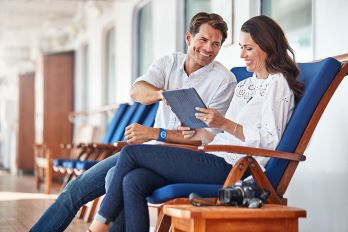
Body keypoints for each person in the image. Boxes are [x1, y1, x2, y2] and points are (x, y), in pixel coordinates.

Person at [87, 15, 304, 232]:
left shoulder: (278, 85)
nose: (241, 55)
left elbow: (269, 141)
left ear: (266, 46)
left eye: (248, 48)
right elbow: (221, 136)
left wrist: (223, 123)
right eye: (241, 47)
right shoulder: (245, 85)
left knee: (131, 153)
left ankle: (97, 227)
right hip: (215, 155)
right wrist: (198, 132)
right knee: (133, 180)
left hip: (238, 168)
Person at [30, 12, 236, 232]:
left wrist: (156, 133)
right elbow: (137, 90)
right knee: (75, 189)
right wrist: (162, 94)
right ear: (188, 38)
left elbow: (208, 139)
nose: (208, 48)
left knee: (114, 178)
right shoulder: (169, 63)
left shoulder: (223, 81)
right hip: (148, 151)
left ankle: (99, 226)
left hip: (181, 158)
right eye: (203, 40)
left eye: (215, 44)